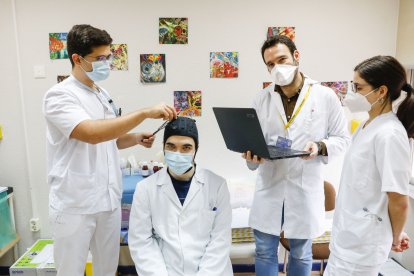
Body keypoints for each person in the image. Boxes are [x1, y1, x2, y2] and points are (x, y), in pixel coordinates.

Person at [43, 24, 176, 276]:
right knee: (70, 270)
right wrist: (145, 112)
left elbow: (109, 138)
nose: (106, 63)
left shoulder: (102, 93)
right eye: (99, 58)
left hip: (108, 199)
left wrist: (135, 138)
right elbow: (91, 134)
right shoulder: (59, 96)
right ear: (77, 59)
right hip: (75, 202)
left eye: (108, 57)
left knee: (107, 268)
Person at [243, 35, 350, 276]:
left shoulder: (325, 96)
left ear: (296, 56)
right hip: (270, 185)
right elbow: (253, 141)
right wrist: (252, 154)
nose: (276, 68)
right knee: (264, 251)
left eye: (281, 59)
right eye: (270, 64)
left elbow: (343, 139)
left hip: (304, 185)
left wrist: (320, 146)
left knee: (301, 253)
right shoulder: (262, 98)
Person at [325, 55, 414, 276]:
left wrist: (395, 234)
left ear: (381, 91)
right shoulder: (367, 125)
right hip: (346, 238)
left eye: (358, 87)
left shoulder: (390, 134)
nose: (353, 93)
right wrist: (395, 230)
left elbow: (398, 199)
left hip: (362, 248)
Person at [128, 117, 233, 276]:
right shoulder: (145, 189)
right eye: (171, 146)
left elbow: (220, 241)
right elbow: (142, 242)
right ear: (163, 147)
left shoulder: (217, 186)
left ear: (195, 149)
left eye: (186, 148)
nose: (178, 153)